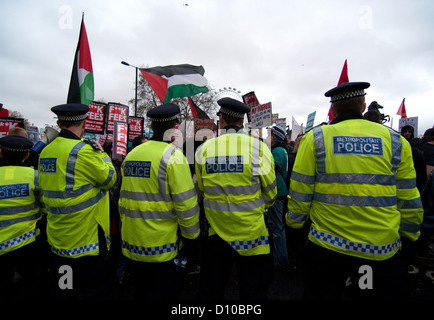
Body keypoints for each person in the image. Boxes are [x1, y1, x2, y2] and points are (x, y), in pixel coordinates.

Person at [286, 81, 423, 300]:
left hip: (326, 246)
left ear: (332, 110)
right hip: (378, 250)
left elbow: (301, 191)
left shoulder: (316, 138)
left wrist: (293, 227)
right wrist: (409, 235)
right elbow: (408, 196)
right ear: (363, 106)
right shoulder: (395, 141)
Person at [195, 97, 277, 299]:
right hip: (252, 234)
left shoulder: (204, 150)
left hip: (217, 233)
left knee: (212, 292)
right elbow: (271, 192)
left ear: (221, 119)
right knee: (253, 292)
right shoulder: (259, 148)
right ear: (242, 121)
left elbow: (202, 190)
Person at [118, 103, 200, 300]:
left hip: (132, 241)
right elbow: (186, 204)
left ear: (152, 127)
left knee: (140, 290)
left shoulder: (131, 155)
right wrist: (192, 237)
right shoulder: (173, 156)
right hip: (162, 246)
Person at [38, 103, 117, 299]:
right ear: (84, 123)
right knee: (92, 290)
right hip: (86, 239)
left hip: (58, 236)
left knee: (65, 288)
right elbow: (109, 179)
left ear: (58, 123)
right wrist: (103, 155)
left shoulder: (46, 151)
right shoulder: (84, 151)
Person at [0, 135, 47, 298]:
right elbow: (46, 206)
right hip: (27, 241)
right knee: (30, 285)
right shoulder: (35, 176)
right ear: (27, 155)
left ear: (1, 153)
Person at [266, 125, 290, 269]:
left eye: (271, 135)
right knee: (276, 226)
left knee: (277, 228)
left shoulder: (278, 151)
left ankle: (281, 260)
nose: (269, 137)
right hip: (278, 192)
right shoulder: (280, 150)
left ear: (277, 137)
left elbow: (269, 169)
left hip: (277, 192)